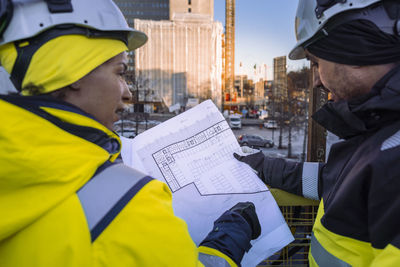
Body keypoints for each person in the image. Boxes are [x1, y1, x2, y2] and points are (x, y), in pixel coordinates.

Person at [0, 1, 261, 266]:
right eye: (120, 73)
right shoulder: (130, 206)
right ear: (71, 71)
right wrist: (228, 237)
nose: (127, 93)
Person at [235, 0, 400, 265]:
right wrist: (264, 166)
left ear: (356, 48)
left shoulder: (393, 157)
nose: (316, 81)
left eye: (316, 62)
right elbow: (333, 181)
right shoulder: (379, 136)